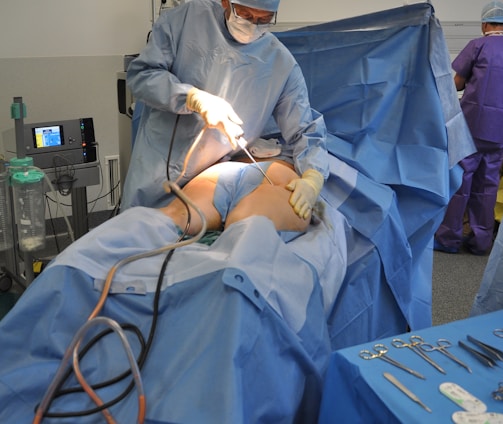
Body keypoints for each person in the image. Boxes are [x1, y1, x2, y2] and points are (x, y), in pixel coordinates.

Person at [121, 0, 329, 220]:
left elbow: (305, 129)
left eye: (264, 20)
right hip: (157, 172)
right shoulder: (185, 21)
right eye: (245, 15)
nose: (252, 26)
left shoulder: (280, 63)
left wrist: (312, 177)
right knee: (137, 233)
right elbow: (142, 76)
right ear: (225, 2)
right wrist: (192, 97)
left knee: (190, 231)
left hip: (213, 182)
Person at [434, 1, 503, 255]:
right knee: (488, 185)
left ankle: (449, 239)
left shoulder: (477, 45)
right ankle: (481, 242)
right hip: (499, 133)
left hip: (472, 128)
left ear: (485, 23)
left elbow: (457, 84)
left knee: (461, 182)